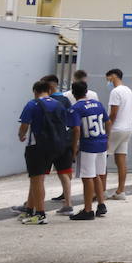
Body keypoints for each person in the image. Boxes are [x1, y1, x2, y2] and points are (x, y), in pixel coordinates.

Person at [16, 80, 66, 225]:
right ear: (49, 91)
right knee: (37, 179)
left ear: (35, 91)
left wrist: (21, 135)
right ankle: (30, 209)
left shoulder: (33, 104)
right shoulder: (58, 104)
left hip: (36, 146)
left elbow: (24, 125)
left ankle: (40, 214)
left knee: (36, 180)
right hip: (54, 146)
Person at [67, 80, 109, 221]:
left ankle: (88, 209)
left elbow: (77, 129)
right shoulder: (98, 104)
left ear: (73, 93)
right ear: (86, 91)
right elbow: (107, 122)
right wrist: (107, 138)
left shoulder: (76, 108)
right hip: (101, 142)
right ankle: (101, 203)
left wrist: (74, 147)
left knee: (87, 177)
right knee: (97, 174)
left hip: (88, 145)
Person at [41, 75, 76, 217]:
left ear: (49, 86)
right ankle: (68, 204)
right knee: (64, 174)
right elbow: (72, 123)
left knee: (38, 176)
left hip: (49, 143)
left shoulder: (45, 102)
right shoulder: (66, 100)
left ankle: (34, 205)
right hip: (65, 142)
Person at [104, 69, 132, 201]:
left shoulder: (115, 92)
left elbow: (113, 113)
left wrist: (107, 127)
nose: (108, 82)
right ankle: (120, 191)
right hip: (127, 129)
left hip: (116, 129)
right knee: (121, 160)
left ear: (113, 76)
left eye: (108, 79)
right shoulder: (129, 91)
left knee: (102, 159)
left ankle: (101, 191)